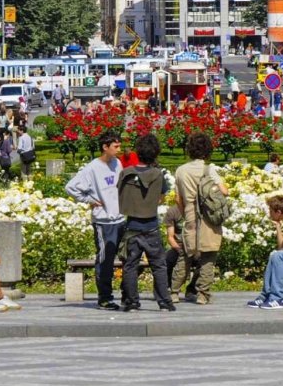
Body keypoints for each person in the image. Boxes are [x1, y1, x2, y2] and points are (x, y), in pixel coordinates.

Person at [64, 129, 125, 311]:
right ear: (105, 147)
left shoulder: (118, 163)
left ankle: (127, 294)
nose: (119, 149)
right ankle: (104, 298)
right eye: (115, 146)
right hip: (103, 221)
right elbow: (71, 187)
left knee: (126, 257)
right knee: (105, 259)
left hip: (120, 219)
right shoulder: (92, 168)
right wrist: (89, 200)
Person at [117, 133, 173, 312]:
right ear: (155, 153)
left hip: (131, 225)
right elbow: (162, 196)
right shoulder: (157, 174)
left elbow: (119, 193)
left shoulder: (126, 173)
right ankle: (164, 301)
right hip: (151, 225)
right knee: (159, 265)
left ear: (138, 152)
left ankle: (131, 301)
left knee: (130, 266)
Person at [172, 131, 227, 305]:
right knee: (208, 257)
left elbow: (177, 198)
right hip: (209, 218)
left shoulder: (181, 170)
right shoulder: (209, 169)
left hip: (189, 215)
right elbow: (224, 191)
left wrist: (185, 211)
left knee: (185, 257)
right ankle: (203, 295)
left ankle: (174, 292)